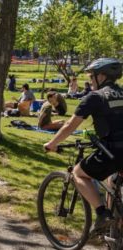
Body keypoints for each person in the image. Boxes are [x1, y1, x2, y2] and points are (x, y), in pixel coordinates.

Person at [44, 58, 123, 235]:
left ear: (102, 76)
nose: (89, 81)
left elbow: (70, 126)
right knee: (112, 181)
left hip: (114, 151)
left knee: (78, 173)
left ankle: (102, 214)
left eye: (91, 77)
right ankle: (116, 233)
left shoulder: (95, 97)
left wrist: (52, 144)